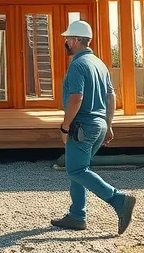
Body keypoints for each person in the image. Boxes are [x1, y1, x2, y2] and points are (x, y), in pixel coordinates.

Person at [52, 20, 137, 235]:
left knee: (76, 169)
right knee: (79, 169)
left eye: (67, 39)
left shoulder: (77, 65)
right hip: (98, 126)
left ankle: (119, 200)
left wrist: (65, 127)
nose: (66, 42)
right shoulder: (99, 63)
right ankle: (77, 215)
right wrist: (108, 125)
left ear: (76, 40)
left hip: (82, 127)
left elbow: (76, 98)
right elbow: (111, 96)